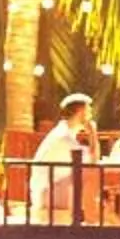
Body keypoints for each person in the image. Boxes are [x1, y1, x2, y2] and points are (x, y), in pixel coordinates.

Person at [28, 92, 98, 222]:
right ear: (80, 112)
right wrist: (93, 134)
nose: (91, 115)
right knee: (91, 175)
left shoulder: (64, 132)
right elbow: (93, 161)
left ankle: (93, 218)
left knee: (88, 177)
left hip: (55, 188)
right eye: (88, 111)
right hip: (49, 192)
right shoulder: (64, 136)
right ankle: (91, 219)